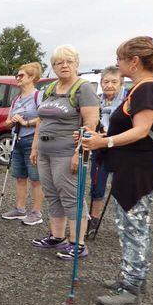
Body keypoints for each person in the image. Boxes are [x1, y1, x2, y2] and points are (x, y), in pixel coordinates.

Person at [81, 37, 153, 305]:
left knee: (134, 226)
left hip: (138, 169)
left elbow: (142, 130)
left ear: (134, 61)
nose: (117, 64)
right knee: (131, 224)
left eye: (120, 59)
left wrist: (104, 141)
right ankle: (132, 277)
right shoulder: (145, 88)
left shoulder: (146, 90)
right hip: (134, 167)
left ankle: (131, 287)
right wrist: (103, 137)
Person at [30, 45, 100, 260]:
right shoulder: (50, 88)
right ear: (53, 67)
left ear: (76, 64)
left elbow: (90, 124)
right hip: (45, 151)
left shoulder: (83, 88)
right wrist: (34, 147)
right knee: (52, 194)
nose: (64, 65)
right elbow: (42, 121)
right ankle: (57, 236)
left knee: (71, 197)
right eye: (59, 62)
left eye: (69, 61)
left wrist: (79, 153)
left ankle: (78, 243)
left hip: (67, 151)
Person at [0, 62, 44, 225]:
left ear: (32, 77)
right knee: (19, 176)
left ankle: (36, 212)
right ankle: (20, 209)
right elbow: (7, 121)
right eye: (17, 75)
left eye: (21, 75)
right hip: (16, 140)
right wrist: (11, 121)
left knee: (36, 178)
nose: (17, 78)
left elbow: (44, 118)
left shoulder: (38, 96)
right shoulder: (16, 99)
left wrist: (26, 123)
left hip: (32, 139)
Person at [87, 66, 127, 233]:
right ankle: (94, 219)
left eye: (114, 82)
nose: (109, 85)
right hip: (100, 148)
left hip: (122, 148)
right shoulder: (97, 100)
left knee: (123, 186)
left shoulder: (127, 100)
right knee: (97, 184)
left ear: (121, 83)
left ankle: (126, 221)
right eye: (106, 81)